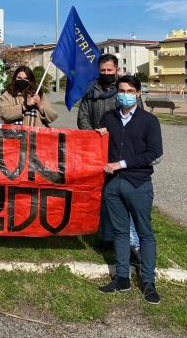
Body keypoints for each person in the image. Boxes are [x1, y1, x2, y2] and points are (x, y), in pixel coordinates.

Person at [96, 75, 163, 305]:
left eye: (130, 90)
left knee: (145, 233)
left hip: (138, 184)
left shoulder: (149, 121)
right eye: (121, 90)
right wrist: (98, 138)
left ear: (138, 94)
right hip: (113, 185)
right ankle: (122, 277)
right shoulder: (109, 118)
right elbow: (98, 147)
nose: (125, 94)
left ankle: (148, 281)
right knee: (121, 232)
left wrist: (122, 164)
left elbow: (154, 153)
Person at [77, 54, 141, 261]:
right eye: (103, 70)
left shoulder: (124, 90)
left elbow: (137, 117)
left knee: (127, 196)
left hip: (122, 151)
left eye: (109, 70)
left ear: (116, 69)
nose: (106, 74)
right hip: (98, 151)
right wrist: (95, 136)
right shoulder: (90, 91)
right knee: (104, 195)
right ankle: (106, 236)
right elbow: (83, 117)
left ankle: (132, 243)